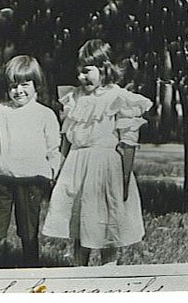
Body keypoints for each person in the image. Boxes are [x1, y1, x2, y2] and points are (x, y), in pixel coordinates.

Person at [42, 39, 153, 266]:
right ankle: (79, 273)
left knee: (107, 223)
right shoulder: (75, 98)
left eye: (87, 72)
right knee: (80, 222)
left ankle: (108, 273)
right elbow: (67, 138)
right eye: (79, 72)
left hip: (106, 167)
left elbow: (128, 142)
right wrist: (59, 169)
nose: (82, 78)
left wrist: (124, 177)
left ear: (104, 68)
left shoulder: (118, 97)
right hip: (77, 165)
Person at [0, 55, 61, 268]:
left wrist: (52, 175)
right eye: (13, 86)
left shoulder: (45, 115)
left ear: (37, 85)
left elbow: (54, 149)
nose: (19, 91)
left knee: (28, 232)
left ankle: (31, 272)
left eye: (25, 84)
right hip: (2, 179)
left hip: (32, 180)